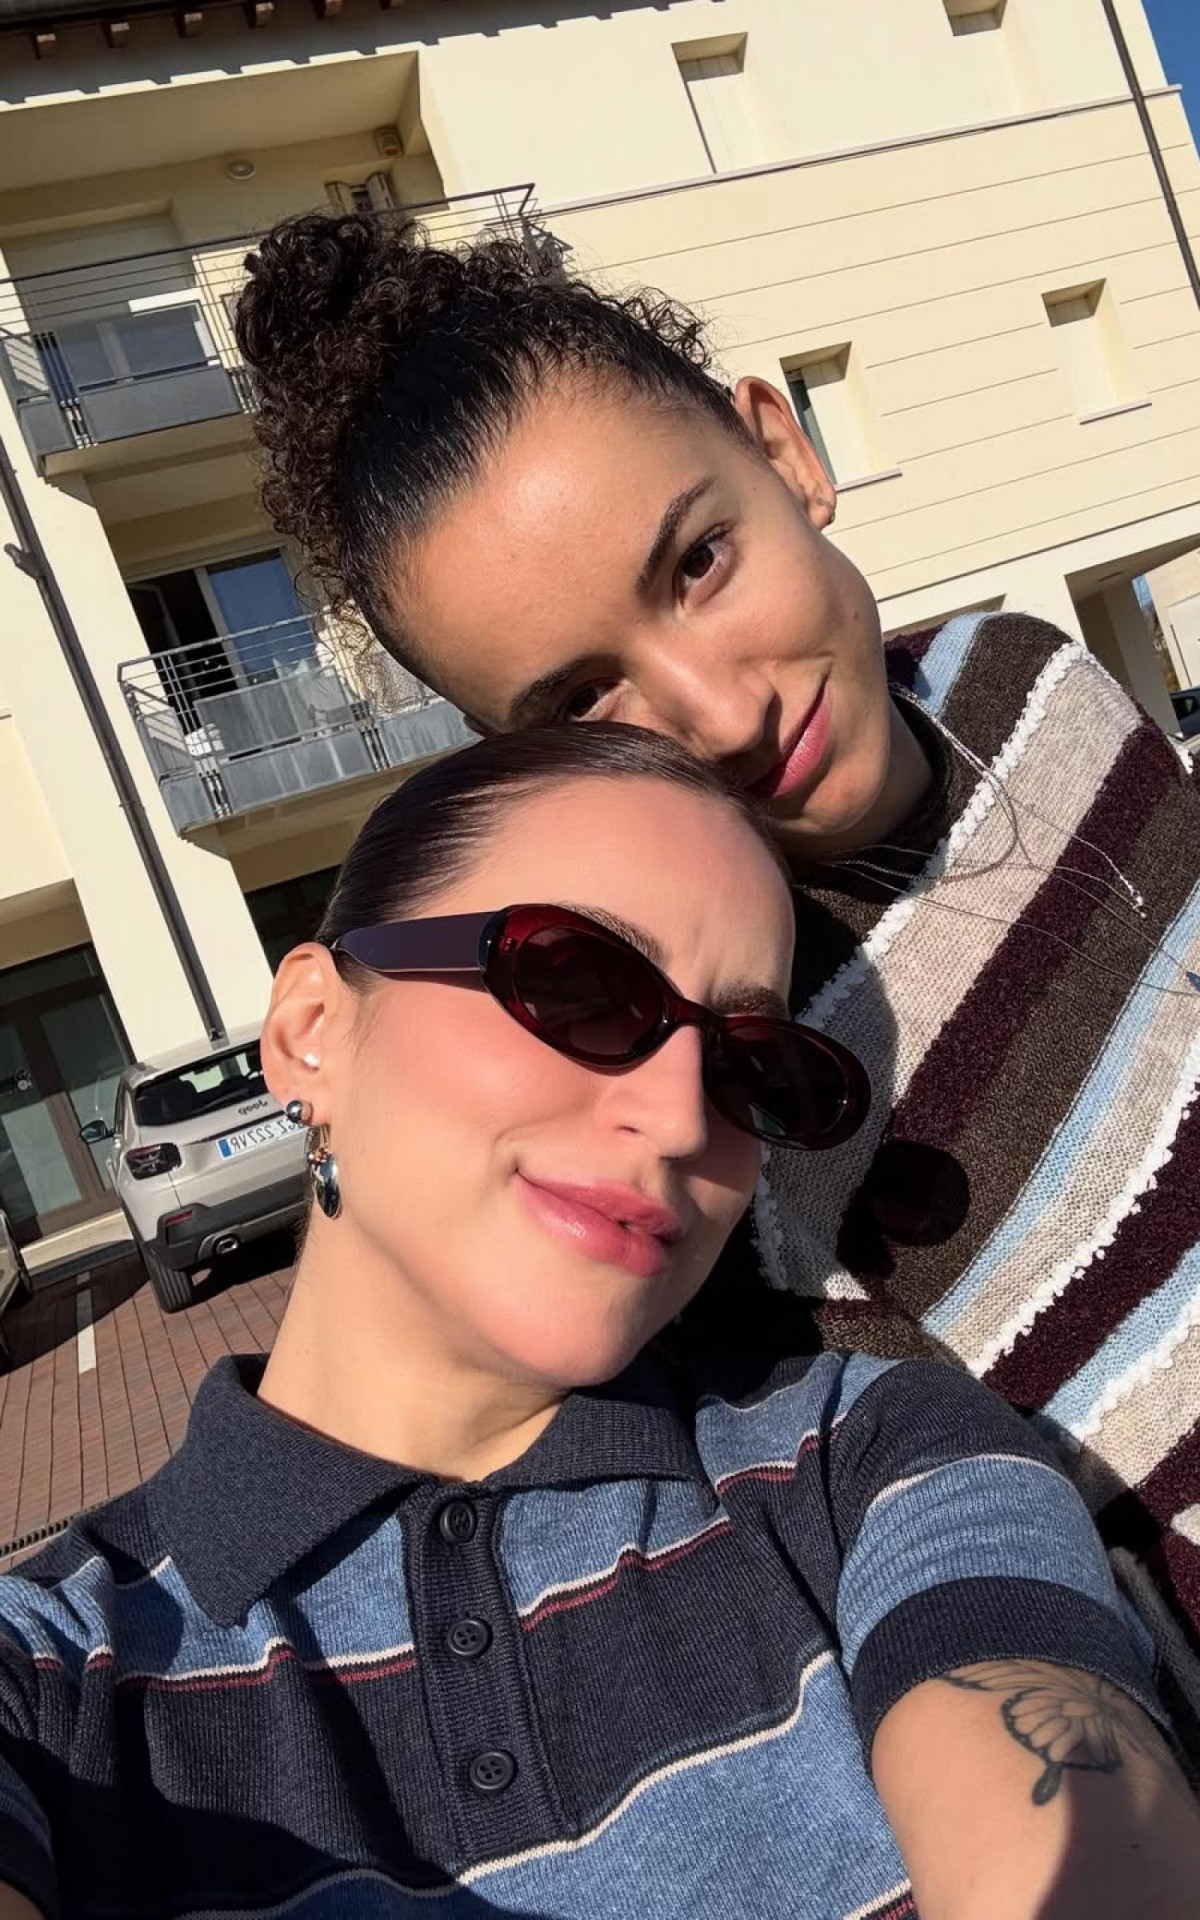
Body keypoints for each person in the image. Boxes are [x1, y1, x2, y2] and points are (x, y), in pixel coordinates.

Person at [233, 211, 1200, 1712]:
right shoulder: (697, 1075)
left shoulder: (1029, 675)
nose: (721, 709)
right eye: (585, 698)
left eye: (698, 561)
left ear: (783, 447)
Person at [0, 724, 1197, 1918]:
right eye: (574, 984)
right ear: (312, 1030)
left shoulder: (869, 1462)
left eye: (750, 1066)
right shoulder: (49, 1676)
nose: (679, 1120)